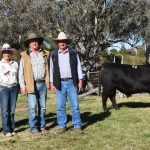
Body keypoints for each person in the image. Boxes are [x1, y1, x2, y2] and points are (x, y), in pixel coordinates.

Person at [50, 32, 83, 133]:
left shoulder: (73, 53)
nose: (62, 43)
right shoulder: (54, 54)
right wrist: (51, 83)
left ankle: (77, 125)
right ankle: (62, 125)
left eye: (64, 41)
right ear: (58, 43)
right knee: (60, 106)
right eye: (60, 41)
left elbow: (78, 67)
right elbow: (51, 69)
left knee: (75, 105)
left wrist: (80, 80)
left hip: (72, 82)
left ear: (66, 42)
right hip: (59, 83)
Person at [19, 32, 49, 134]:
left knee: (43, 107)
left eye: (36, 41)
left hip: (42, 84)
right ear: (29, 44)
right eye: (32, 41)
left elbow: (48, 69)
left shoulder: (44, 54)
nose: (35, 43)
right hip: (31, 84)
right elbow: (21, 72)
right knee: (32, 107)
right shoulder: (25, 55)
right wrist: (22, 86)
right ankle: (33, 128)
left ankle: (42, 126)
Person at [0, 43, 19, 137]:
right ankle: (6, 130)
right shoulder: (0, 64)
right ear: (2, 53)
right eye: (5, 52)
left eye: (8, 52)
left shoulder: (15, 64)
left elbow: (19, 76)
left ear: (10, 53)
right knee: (5, 111)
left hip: (14, 88)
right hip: (4, 88)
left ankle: (12, 128)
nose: (6, 54)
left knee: (12, 110)